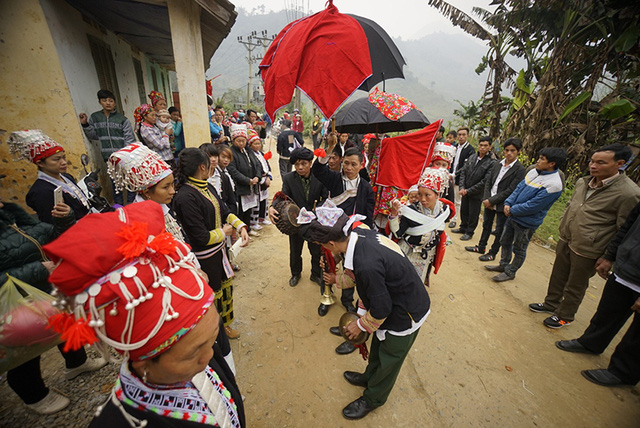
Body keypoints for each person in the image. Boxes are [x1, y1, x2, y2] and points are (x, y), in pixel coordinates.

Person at [44, 201, 245, 426]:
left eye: (211, 339)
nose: (209, 356)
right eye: (194, 351)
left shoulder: (200, 352)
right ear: (143, 364)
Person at [299, 209, 431, 420]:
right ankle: (370, 376)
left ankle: (373, 398)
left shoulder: (366, 263)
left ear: (331, 244)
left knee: (389, 358)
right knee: (379, 345)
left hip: (405, 312)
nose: (325, 250)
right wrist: (337, 280)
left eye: (324, 246)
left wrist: (360, 324)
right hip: (393, 301)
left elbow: (381, 309)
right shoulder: (361, 233)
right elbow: (355, 276)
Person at [0, 195, 106, 415]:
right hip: (17, 300)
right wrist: (37, 269)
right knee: (28, 345)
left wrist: (64, 221)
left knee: (65, 324)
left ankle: (76, 363)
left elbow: (49, 238)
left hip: (47, 288)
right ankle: (35, 396)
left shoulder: (12, 214)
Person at [529, 144, 640, 328]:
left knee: (575, 284)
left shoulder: (628, 193)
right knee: (558, 275)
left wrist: (608, 257)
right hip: (567, 237)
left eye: (600, 162)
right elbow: (571, 205)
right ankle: (550, 304)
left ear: (619, 164)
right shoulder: (583, 182)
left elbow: (624, 229)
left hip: (589, 248)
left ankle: (565, 315)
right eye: (592, 161)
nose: (593, 165)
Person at [555, 201, 640, 387]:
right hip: (626, 269)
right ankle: (591, 343)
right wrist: (610, 256)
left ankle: (622, 372)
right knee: (608, 310)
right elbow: (627, 226)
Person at [173, 148, 249, 339]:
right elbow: (200, 237)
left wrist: (240, 227)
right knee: (212, 295)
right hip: (205, 258)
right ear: (202, 166)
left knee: (225, 290)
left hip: (219, 252)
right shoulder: (185, 197)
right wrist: (223, 232)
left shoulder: (207, 187)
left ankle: (225, 326)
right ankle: (215, 333)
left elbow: (224, 211)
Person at [486, 147, 566, 282]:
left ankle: (511, 271)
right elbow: (518, 188)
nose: (538, 161)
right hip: (511, 216)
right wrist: (508, 203)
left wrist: (512, 209)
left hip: (526, 222)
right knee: (504, 240)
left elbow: (534, 205)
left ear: (552, 163)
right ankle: (503, 265)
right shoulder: (534, 172)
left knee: (519, 248)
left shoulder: (554, 184)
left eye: (542, 159)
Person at [269, 147, 326, 287]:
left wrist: (316, 210)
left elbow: (325, 198)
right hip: (296, 222)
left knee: (316, 251)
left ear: (310, 163)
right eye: (297, 164)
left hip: (314, 221)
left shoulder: (321, 177)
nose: (300, 167)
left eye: (304, 164)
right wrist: (272, 206)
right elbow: (283, 195)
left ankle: (315, 274)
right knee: (295, 251)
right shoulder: (289, 178)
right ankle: (295, 273)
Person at [9, 130, 91, 223]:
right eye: (56, 159)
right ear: (40, 163)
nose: (63, 162)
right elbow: (51, 225)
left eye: (64, 157)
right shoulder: (41, 192)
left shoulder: (66, 177)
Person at [389, 166, 454, 286]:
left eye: (427, 195)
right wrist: (393, 214)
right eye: (419, 194)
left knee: (416, 286)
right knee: (400, 284)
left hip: (426, 256)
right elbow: (397, 233)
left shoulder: (444, 210)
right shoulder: (410, 211)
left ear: (437, 194)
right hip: (407, 253)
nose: (422, 199)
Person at [465, 138, 526, 261]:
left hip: (502, 204)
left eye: (512, 150)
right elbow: (488, 182)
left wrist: (492, 200)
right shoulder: (498, 163)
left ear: (518, 151)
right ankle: (481, 246)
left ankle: (492, 253)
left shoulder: (520, 169)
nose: (509, 153)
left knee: (499, 230)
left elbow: (511, 190)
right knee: (486, 225)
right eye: (507, 150)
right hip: (489, 200)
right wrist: (487, 198)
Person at [79, 89, 136, 205]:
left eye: (111, 100)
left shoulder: (122, 119)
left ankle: (131, 204)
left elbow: (129, 139)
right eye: (104, 100)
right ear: (100, 102)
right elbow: (94, 135)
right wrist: (85, 124)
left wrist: (124, 155)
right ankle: (119, 206)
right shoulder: (95, 118)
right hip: (109, 158)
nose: (108, 103)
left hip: (123, 158)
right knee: (115, 184)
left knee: (130, 182)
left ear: (115, 103)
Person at [452, 136, 496, 241]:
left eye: (485, 146)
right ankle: (463, 227)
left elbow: (485, 181)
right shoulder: (472, 157)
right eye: (481, 145)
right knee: (464, 210)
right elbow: (463, 172)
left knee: (473, 213)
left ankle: (469, 231)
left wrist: (469, 190)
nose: (482, 148)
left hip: (477, 193)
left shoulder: (491, 162)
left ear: (490, 147)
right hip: (465, 189)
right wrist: (462, 187)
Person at [226, 124, 264, 235]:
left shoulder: (248, 150)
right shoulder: (232, 152)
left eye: (243, 141)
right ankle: (241, 231)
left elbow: (257, 164)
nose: (241, 143)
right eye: (239, 141)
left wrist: (257, 176)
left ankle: (248, 229)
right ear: (233, 140)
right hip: (241, 186)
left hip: (252, 184)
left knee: (249, 208)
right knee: (241, 210)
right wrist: (247, 180)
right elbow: (233, 170)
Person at [449, 127, 475, 229]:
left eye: (463, 135)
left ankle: (454, 219)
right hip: (450, 175)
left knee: (457, 200)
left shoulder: (470, 150)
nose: (461, 137)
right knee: (450, 197)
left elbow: (467, 166)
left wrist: (455, 174)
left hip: (459, 178)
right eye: (459, 135)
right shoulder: (454, 147)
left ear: (467, 136)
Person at [247, 129, 272, 230]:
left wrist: (269, 176)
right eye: (255, 144)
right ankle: (254, 222)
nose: (257, 146)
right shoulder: (251, 155)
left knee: (264, 200)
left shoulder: (261, 154)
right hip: (258, 181)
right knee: (256, 202)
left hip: (265, 180)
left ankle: (262, 217)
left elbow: (267, 165)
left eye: (259, 144)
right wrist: (262, 178)